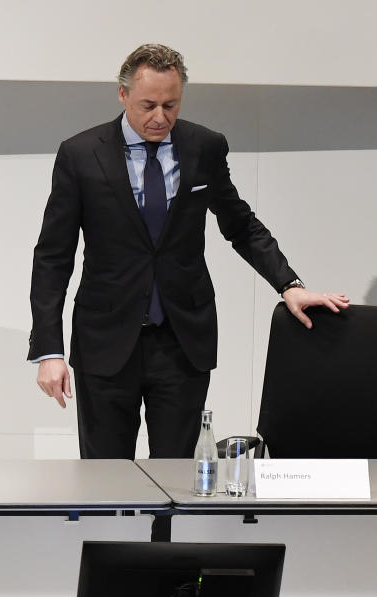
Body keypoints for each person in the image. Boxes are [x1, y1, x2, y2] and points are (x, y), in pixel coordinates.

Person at [29, 44, 348, 463]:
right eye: (148, 105)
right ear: (122, 95)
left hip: (181, 344)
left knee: (176, 480)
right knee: (105, 480)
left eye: (171, 104)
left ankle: (166, 534)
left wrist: (289, 285)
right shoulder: (80, 154)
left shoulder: (205, 147)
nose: (160, 116)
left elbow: (240, 224)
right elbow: (53, 256)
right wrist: (49, 351)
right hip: (105, 341)